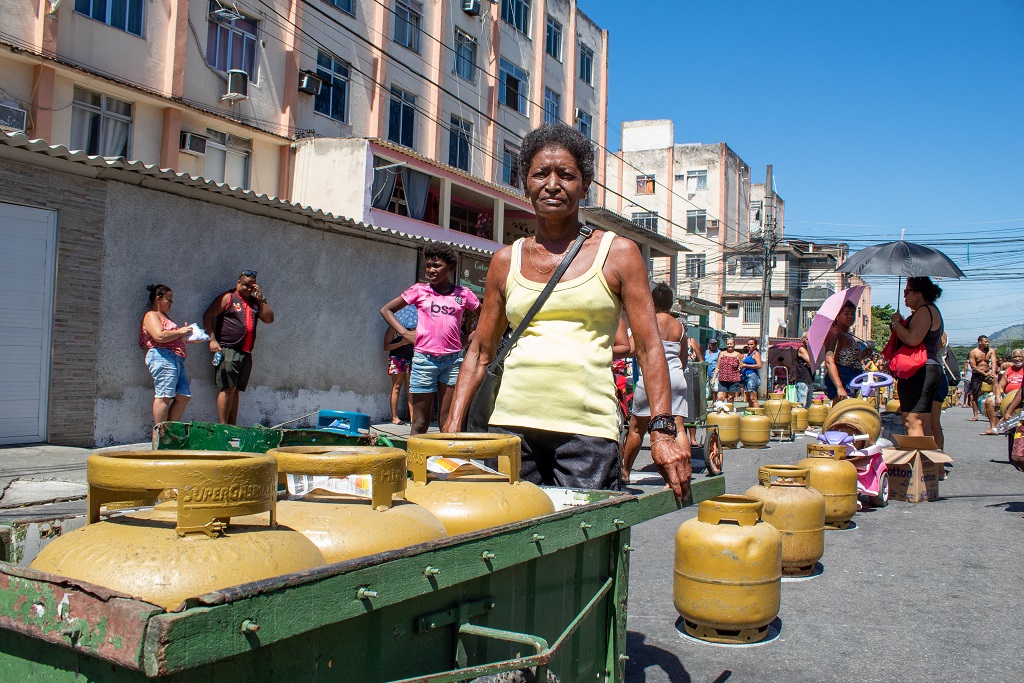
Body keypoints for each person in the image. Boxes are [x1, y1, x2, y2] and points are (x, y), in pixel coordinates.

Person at [442, 123, 691, 499]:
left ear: (584, 185)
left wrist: (663, 430)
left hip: (587, 434)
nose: (553, 184)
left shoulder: (618, 253)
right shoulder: (505, 261)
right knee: (508, 545)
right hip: (508, 429)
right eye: (541, 173)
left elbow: (648, 348)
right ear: (525, 183)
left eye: (567, 175)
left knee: (582, 548)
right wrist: (452, 426)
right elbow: (479, 352)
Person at [381, 243, 480, 436]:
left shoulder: (463, 294)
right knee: (420, 422)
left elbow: (487, 317)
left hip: (452, 362)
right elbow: (386, 310)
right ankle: (414, 465)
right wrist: (405, 332)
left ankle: (443, 465)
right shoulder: (419, 290)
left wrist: (467, 338)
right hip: (424, 360)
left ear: (450, 267)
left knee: (446, 422)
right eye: (428, 265)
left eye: (436, 265)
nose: (431, 270)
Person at [620, 284, 689, 484]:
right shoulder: (679, 326)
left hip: (652, 377)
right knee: (678, 428)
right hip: (676, 377)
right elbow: (683, 359)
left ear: (651, 301)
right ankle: (681, 475)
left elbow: (631, 349)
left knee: (636, 429)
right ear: (670, 303)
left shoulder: (647, 322)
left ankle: (625, 472)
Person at [202, 270, 274, 425]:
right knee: (228, 388)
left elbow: (269, 319)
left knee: (235, 391)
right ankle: (223, 425)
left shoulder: (255, 303)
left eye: (252, 286)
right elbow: (208, 315)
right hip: (229, 350)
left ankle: (232, 425)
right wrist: (212, 340)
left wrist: (262, 299)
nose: (249, 289)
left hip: (246, 353)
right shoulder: (229, 297)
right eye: (246, 285)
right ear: (238, 283)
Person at [889, 277, 944, 442]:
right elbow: (939, 344)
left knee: (911, 420)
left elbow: (913, 339)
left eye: (907, 292)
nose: (904, 296)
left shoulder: (924, 311)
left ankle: (919, 465)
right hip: (931, 367)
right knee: (925, 423)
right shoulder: (933, 311)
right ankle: (934, 467)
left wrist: (896, 324)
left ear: (918, 294)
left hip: (920, 370)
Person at [140, 285, 193, 425]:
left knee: (183, 396)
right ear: (158, 299)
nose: (171, 303)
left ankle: (170, 432)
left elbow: (172, 336)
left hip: (176, 359)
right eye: (168, 299)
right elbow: (159, 336)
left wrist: (188, 336)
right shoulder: (151, 315)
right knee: (164, 396)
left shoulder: (165, 317)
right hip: (162, 356)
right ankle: (160, 437)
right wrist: (181, 331)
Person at [823, 302, 865, 403]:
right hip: (842, 377)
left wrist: (863, 355)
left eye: (852, 313)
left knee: (848, 411)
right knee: (842, 411)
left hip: (853, 377)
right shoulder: (835, 333)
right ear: (838, 315)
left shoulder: (847, 334)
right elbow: (829, 361)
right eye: (846, 313)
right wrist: (839, 387)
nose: (850, 316)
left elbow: (848, 358)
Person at [383, 308, 415, 424]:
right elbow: (386, 346)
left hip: (410, 360)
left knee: (411, 389)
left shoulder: (413, 330)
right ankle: (394, 417)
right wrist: (401, 343)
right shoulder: (393, 329)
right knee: (397, 386)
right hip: (397, 359)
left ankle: (412, 417)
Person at [982, 348, 1023, 435]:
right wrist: (998, 396)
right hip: (1007, 396)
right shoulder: (1009, 370)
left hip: (1020, 396)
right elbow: (1000, 386)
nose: (1017, 358)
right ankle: (993, 428)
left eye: (1019, 356)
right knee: (989, 401)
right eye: (1015, 357)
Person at [968, 336, 997, 421]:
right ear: (980, 342)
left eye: (988, 342)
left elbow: (994, 362)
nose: (987, 343)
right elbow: (973, 367)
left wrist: (993, 372)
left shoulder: (991, 351)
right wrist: (984, 373)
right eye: (985, 342)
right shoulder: (973, 352)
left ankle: (996, 401)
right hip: (977, 374)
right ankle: (975, 415)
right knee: (974, 395)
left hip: (988, 373)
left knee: (995, 382)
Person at [713, 338, 744, 402]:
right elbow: (718, 367)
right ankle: (721, 410)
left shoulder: (738, 355)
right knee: (720, 397)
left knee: (730, 398)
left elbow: (741, 366)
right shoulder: (722, 353)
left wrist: (740, 365)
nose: (729, 345)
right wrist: (713, 379)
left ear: (734, 345)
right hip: (723, 379)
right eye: (728, 344)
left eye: (731, 344)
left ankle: (730, 410)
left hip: (733, 379)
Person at [793, 336, 815, 409]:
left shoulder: (811, 351)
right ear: (803, 340)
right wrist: (810, 363)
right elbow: (810, 361)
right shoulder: (802, 349)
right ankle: (800, 419)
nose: (809, 341)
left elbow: (815, 363)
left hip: (810, 379)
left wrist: (811, 364)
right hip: (803, 380)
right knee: (802, 404)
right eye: (807, 339)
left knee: (808, 405)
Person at [740, 338, 762, 408]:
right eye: (748, 344)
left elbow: (759, 365)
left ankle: (758, 414)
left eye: (751, 344)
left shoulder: (756, 353)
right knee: (749, 398)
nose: (749, 346)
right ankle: (751, 413)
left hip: (752, 376)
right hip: (746, 377)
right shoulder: (748, 354)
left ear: (755, 345)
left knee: (753, 398)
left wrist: (746, 365)